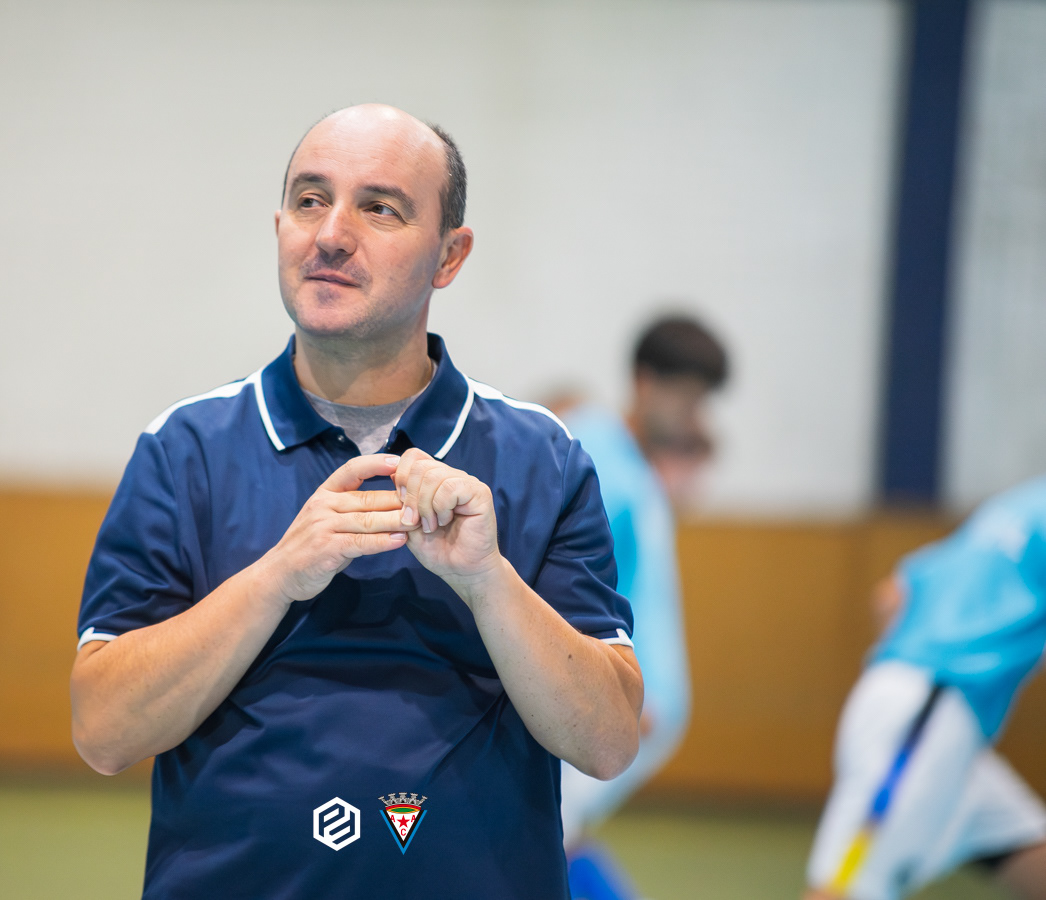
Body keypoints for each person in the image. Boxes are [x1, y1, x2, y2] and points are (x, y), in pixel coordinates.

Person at [69, 104, 643, 899]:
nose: (332, 234)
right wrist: (278, 576)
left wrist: (489, 583)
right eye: (310, 200)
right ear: (280, 227)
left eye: (380, 208)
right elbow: (103, 731)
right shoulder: (184, 450)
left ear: (449, 256)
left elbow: (609, 742)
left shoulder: (543, 458)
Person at [551, 316, 729, 900]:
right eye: (685, 399)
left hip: (632, 704)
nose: (693, 417)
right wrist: (615, 688)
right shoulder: (594, 454)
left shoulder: (634, 470)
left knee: (548, 834)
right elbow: (557, 579)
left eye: (701, 403)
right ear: (645, 382)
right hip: (613, 699)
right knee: (543, 835)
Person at [805, 476, 1046, 900]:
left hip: (928, 711)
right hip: (929, 712)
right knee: (845, 889)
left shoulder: (1017, 505)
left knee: (1029, 853)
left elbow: (891, 596)